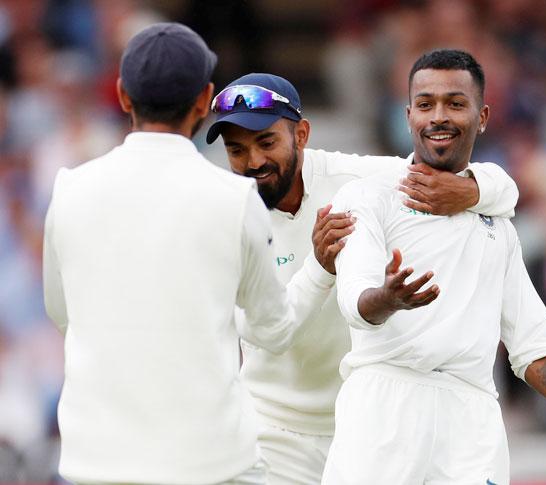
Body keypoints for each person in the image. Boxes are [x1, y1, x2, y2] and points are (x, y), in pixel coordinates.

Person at [323, 49, 546, 485]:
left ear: (483, 115)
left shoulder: (497, 223)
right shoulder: (369, 198)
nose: (438, 116)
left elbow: (533, 349)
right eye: (425, 104)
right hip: (384, 409)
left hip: (471, 418)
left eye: (455, 103)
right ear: (408, 115)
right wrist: (389, 297)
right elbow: (355, 303)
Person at [42, 23, 335, 485]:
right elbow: (273, 332)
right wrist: (319, 268)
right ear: (205, 99)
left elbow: (62, 314)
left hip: (92, 466)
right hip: (210, 468)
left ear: (122, 95)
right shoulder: (234, 199)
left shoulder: (69, 189)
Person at [205, 73, 519, 484]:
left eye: (267, 143)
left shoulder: (354, 179)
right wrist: (319, 267)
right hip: (272, 430)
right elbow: (267, 333)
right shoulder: (222, 216)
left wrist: (474, 191)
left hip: (363, 430)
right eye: (236, 150)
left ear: (301, 134)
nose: (253, 163)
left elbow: (488, 183)